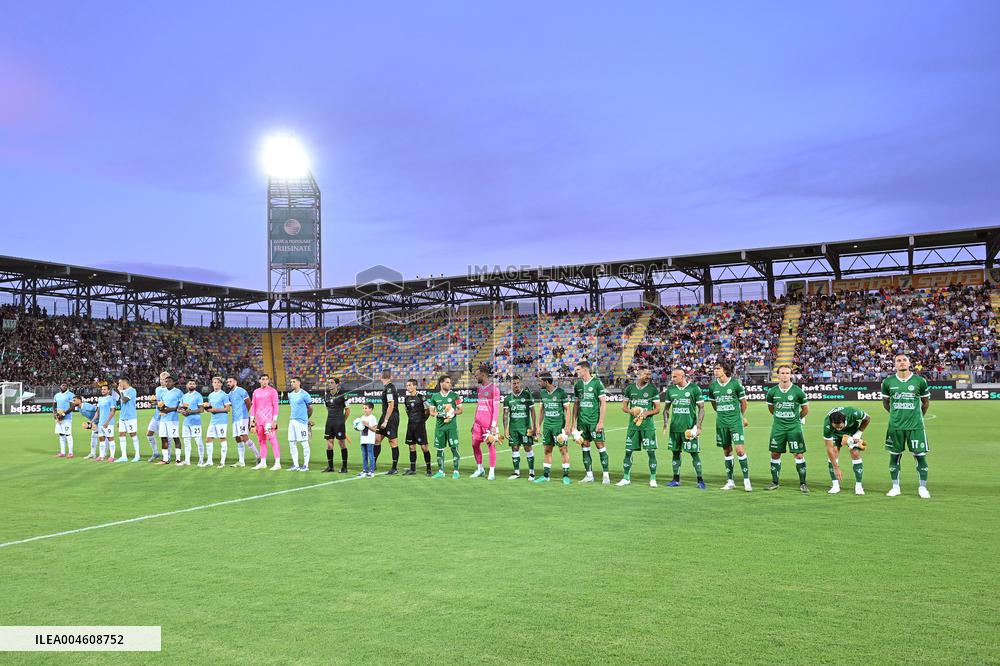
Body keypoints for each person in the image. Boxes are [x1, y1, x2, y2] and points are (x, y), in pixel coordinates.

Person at [881, 353, 931, 499]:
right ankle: (895, 487)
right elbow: (886, 403)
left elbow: (925, 403)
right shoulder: (888, 382)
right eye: (898, 360)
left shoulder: (920, 381)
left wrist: (918, 417)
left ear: (909, 363)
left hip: (915, 426)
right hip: (895, 427)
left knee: (920, 457)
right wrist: (896, 415)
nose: (902, 362)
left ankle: (922, 487)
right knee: (894, 457)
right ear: (895, 365)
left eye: (904, 360)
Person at [706, 361, 751, 491]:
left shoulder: (735, 384)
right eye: (714, 369)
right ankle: (730, 481)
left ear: (725, 370)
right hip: (721, 422)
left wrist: (740, 416)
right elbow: (714, 403)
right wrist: (722, 413)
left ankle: (746, 480)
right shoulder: (713, 386)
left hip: (735, 422)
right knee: (727, 451)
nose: (715, 371)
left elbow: (743, 403)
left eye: (718, 368)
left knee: (740, 450)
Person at [765, 365, 810, 493]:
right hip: (778, 428)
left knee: (798, 454)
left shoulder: (798, 391)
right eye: (782, 373)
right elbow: (771, 409)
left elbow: (805, 409)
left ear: (791, 375)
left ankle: (803, 483)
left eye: (787, 373)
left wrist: (797, 418)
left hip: (794, 428)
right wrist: (780, 417)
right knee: (775, 453)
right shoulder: (772, 392)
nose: (785, 375)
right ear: (778, 375)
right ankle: (775, 482)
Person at [617, 366, 661, 487]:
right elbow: (624, 407)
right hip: (633, 426)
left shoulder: (652, 389)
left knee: (651, 452)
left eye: (649, 374)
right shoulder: (629, 389)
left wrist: (647, 413)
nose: (648, 376)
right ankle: (626, 478)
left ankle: (653, 479)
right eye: (645, 374)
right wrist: (630, 411)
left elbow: (657, 409)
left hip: (648, 427)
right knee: (628, 452)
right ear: (639, 374)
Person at [662, 368, 706, 489]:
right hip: (675, 428)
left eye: (675, 377)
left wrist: (698, 426)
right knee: (675, 453)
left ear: (682, 376)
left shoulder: (694, 388)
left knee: (694, 454)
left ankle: (700, 480)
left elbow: (701, 408)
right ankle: (676, 479)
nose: (672, 379)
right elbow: (666, 409)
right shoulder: (671, 390)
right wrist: (665, 422)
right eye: (672, 376)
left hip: (689, 429)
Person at [572, 361, 610, 484]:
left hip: (594, 422)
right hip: (582, 423)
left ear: (585, 370)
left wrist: (601, 422)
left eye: (578, 370)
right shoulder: (578, 385)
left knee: (600, 446)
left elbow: (603, 402)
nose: (576, 372)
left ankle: (606, 476)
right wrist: (574, 425)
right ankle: (589, 475)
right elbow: (576, 404)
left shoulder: (596, 383)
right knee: (585, 446)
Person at [533, 372, 573, 485]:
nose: (539, 383)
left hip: (558, 426)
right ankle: (546, 476)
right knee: (547, 450)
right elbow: (542, 411)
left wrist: (567, 426)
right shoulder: (543, 393)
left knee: (563, 450)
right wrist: (538, 426)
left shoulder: (561, 393)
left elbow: (568, 409)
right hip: (547, 426)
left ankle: (566, 476)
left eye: (540, 381)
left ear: (546, 382)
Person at [823, 406, 871, 495]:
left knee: (855, 453)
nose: (838, 428)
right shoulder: (827, 424)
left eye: (840, 426)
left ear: (844, 420)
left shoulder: (853, 413)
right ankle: (835, 485)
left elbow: (868, 418)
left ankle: (859, 486)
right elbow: (829, 448)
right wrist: (836, 468)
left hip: (852, 432)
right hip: (835, 435)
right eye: (835, 426)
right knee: (834, 451)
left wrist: (858, 434)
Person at [427, 375, 463, 478]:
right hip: (440, 428)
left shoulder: (454, 396)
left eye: (450, 382)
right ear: (441, 383)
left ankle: (456, 471)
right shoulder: (435, 397)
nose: (449, 384)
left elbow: (460, 410)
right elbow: (431, 412)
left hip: (451, 428)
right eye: (447, 382)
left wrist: (452, 412)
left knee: (454, 448)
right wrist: (439, 414)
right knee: (439, 450)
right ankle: (441, 471)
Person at [502, 375, 536, 480]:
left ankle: (531, 473)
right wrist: (505, 429)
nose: (516, 385)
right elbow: (505, 414)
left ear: (520, 383)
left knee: (527, 448)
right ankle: (516, 472)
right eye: (514, 383)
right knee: (515, 448)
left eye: (517, 383)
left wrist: (534, 427)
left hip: (525, 428)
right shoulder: (508, 399)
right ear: (511, 384)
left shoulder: (526, 395)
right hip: (513, 429)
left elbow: (533, 411)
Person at [470, 364, 500, 480]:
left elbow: (496, 408)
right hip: (478, 424)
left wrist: (493, 425)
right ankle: (480, 468)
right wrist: (474, 422)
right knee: (474, 445)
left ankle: (491, 471)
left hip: (488, 424)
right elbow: (479, 405)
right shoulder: (479, 389)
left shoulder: (494, 389)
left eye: (476, 375)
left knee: (491, 446)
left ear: (483, 375)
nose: (475, 377)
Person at [251, 374, 281, 470]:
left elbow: (276, 406)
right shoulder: (256, 392)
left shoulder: (272, 391)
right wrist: (252, 420)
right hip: (259, 421)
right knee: (261, 441)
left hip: (268, 421)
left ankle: (277, 463)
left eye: (266, 379)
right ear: (259, 381)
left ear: (268, 381)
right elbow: (253, 406)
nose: (264, 381)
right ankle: (263, 463)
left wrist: (274, 420)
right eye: (263, 379)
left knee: (273, 440)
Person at [226, 377, 258, 467]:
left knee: (244, 437)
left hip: (243, 418)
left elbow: (249, 404)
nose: (228, 383)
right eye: (227, 382)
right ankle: (241, 461)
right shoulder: (229, 394)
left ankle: (258, 456)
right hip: (235, 419)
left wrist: (251, 419)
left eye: (230, 381)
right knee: (237, 438)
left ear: (235, 382)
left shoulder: (241, 391)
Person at [403, 378, 432, 476]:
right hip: (410, 426)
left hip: (420, 426)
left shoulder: (421, 397)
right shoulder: (406, 399)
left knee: (424, 447)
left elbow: (427, 410)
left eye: (410, 385)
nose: (408, 387)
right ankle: (412, 469)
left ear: (415, 386)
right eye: (407, 385)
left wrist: (423, 420)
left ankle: (429, 469)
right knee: (411, 447)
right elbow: (407, 411)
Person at [322, 377, 351, 473]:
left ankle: (344, 467)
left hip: (339, 423)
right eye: (328, 383)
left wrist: (342, 421)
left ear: (337, 384)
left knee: (342, 444)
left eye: (332, 382)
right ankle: (330, 467)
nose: (329, 384)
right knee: (329, 445)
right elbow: (327, 409)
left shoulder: (343, 395)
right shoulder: (326, 396)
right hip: (329, 422)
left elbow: (348, 410)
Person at [374, 370, 400, 474]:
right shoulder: (388, 387)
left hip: (391, 417)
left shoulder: (389, 388)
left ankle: (394, 468)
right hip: (385, 415)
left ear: (381, 377)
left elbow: (391, 406)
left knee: (392, 441)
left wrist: (386, 420)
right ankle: (373, 464)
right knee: (377, 439)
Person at [156, 375, 184, 465]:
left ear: (174, 382)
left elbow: (180, 406)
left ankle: (178, 459)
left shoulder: (178, 392)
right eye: (166, 381)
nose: (167, 383)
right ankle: (165, 459)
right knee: (163, 438)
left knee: (175, 438)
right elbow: (160, 404)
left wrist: (169, 409)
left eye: (169, 381)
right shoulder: (162, 392)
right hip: (163, 419)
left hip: (173, 419)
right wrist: (160, 408)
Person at [287, 376, 313, 472]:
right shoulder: (290, 395)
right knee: (292, 442)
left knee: (304, 443)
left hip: (301, 422)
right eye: (291, 382)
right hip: (292, 420)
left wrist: (306, 419)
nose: (292, 383)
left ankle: (306, 465)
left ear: (299, 383)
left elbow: (310, 408)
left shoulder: (304, 394)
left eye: (294, 382)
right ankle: (296, 465)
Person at [205, 377, 232, 467]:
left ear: (221, 384)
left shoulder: (224, 395)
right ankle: (209, 461)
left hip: (222, 421)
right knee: (208, 439)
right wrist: (207, 408)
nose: (215, 384)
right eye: (214, 382)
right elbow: (210, 408)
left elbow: (228, 409)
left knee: (222, 438)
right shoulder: (210, 395)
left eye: (217, 382)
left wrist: (215, 410)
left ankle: (222, 462)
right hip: (213, 420)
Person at [178, 379, 204, 466]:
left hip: (196, 422)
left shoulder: (198, 395)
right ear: (187, 385)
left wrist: (190, 412)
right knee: (186, 442)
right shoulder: (184, 396)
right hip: (186, 422)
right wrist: (182, 412)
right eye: (190, 383)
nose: (191, 385)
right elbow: (179, 408)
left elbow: (201, 409)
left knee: (198, 441)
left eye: (193, 384)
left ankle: (201, 460)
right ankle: (187, 460)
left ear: (195, 386)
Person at [146, 371, 170, 462]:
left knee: (166, 437)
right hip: (156, 416)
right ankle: (155, 452)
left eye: (163, 379)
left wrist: (158, 403)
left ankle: (168, 455)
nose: (161, 381)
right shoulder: (158, 389)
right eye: (160, 379)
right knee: (149, 434)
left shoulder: (170, 390)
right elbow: (157, 401)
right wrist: (152, 402)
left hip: (165, 417)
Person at [115, 377, 141, 463]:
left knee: (133, 435)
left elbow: (124, 400)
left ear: (124, 382)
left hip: (130, 417)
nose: (119, 384)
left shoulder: (132, 390)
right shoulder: (123, 391)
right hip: (122, 417)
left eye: (120, 383)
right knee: (121, 435)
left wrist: (121, 391)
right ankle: (124, 456)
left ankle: (137, 455)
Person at [96, 383, 118, 462]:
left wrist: (107, 422)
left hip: (108, 423)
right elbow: (98, 412)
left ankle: (112, 456)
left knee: (110, 438)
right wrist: (92, 421)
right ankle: (101, 456)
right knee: (101, 439)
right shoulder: (100, 399)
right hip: (100, 423)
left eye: (104, 389)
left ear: (108, 391)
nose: (103, 391)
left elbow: (113, 411)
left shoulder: (111, 399)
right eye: (102, 389)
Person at [355, 402, 378, 478]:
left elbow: (375, 429)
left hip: (370, 440)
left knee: (371, 455)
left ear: (371, 409)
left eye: (366, 408)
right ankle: (365, 470)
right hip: (363, 439)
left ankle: (371, 471)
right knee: (364, 456)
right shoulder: (362, 417)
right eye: (363, 408)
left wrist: (367, 425)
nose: (364, 410)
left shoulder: (372, 418)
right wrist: (356, 427)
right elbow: (361, 428)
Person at [53, 382, 75, 458]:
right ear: (60, 386)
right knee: (61, 434)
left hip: (67, 419)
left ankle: (71, 453)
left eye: (65, 385)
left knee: (68, 434)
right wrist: (55, 414)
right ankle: (62, 452)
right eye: (62, 385)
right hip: (59, 418)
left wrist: (63, 414)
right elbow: (54, 406)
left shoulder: (71, 395)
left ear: (67, 386)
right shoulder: (57, 395)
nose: (64, 386)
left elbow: (72, 407)